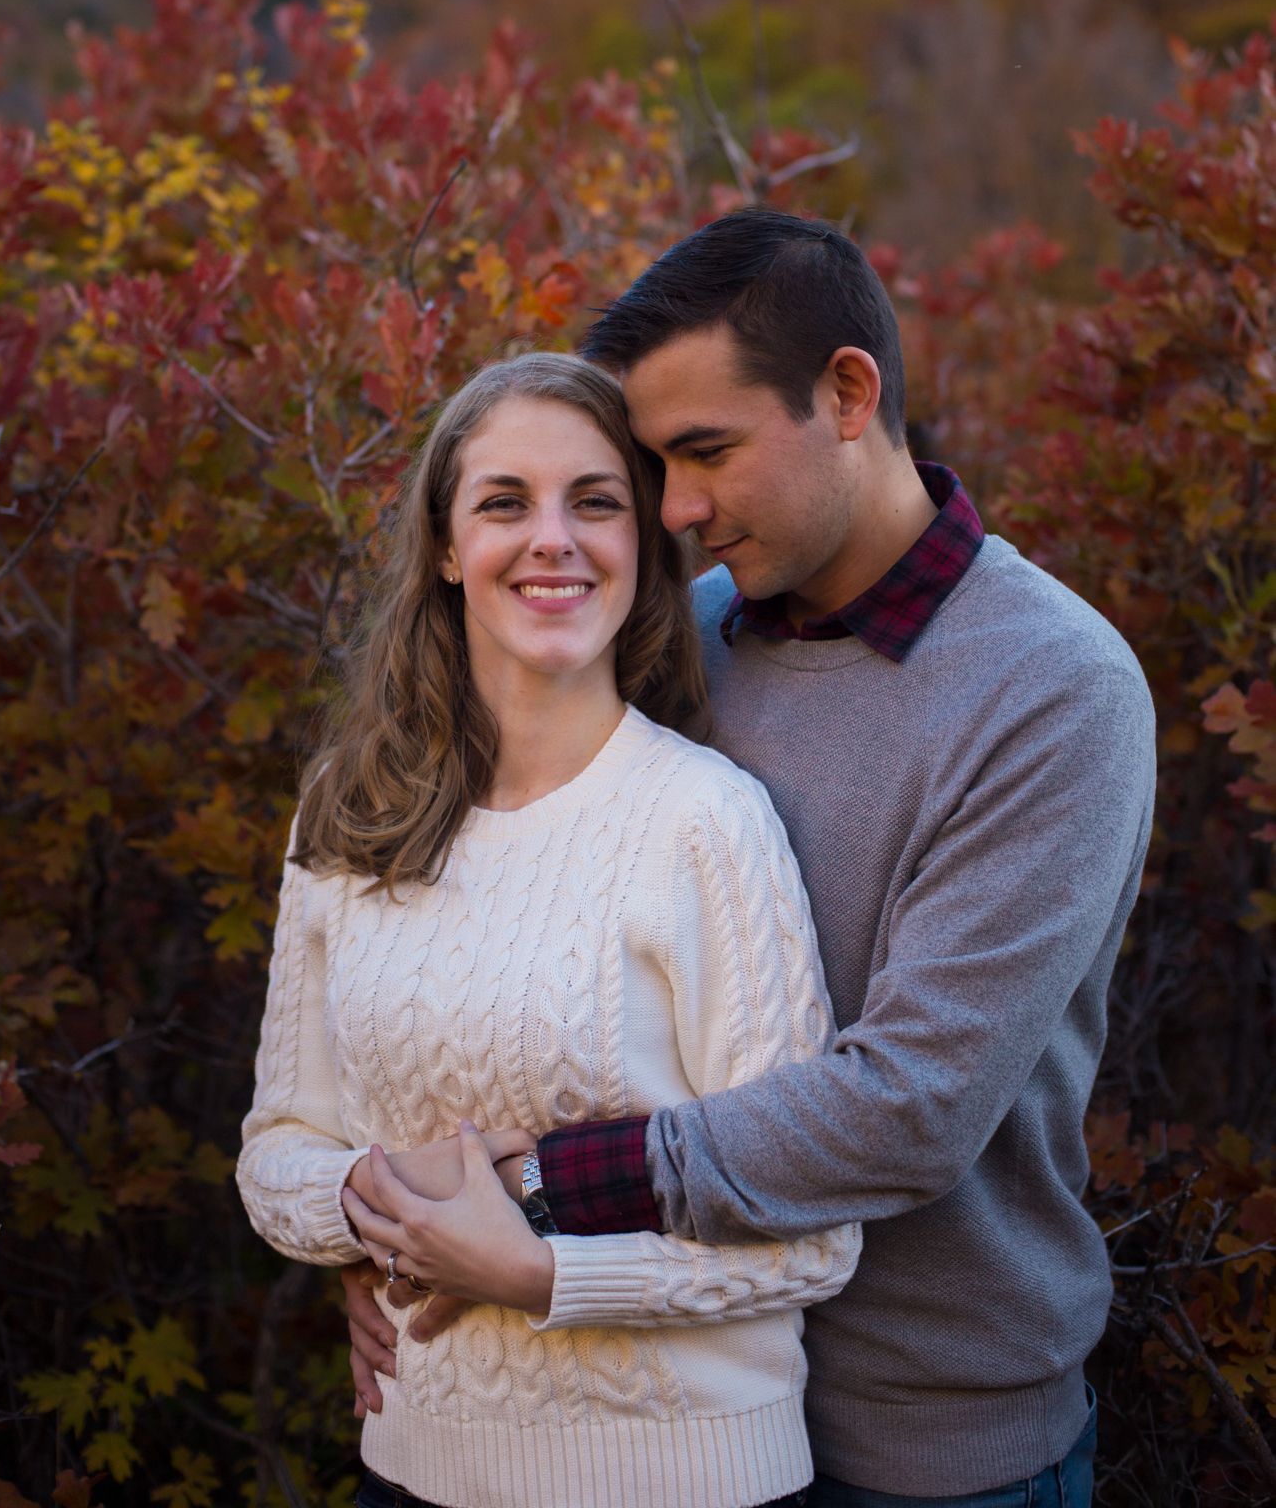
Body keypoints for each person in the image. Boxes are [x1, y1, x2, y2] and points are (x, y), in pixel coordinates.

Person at [343, 212, 1157, 1508]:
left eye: (705, 452)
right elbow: (503, 940)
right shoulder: (689, 641)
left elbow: (911, 1108)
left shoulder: (1053, 691)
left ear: (846, 393)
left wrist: (530, 1198)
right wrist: (397, 1230)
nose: (674, 510)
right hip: (654, 1397)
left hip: (910, 1450)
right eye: (653, 464)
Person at [237, 351, 862, 1508]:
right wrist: (384, 1212)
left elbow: (813, 1235)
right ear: (443, 543)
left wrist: (534, 1269)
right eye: (505, 501)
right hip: (417, 1471)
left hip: (688, 1483)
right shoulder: (349, 810)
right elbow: (278, 1151)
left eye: (597, 500)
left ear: (644, 542)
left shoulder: (705, 823)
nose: (553, 539)